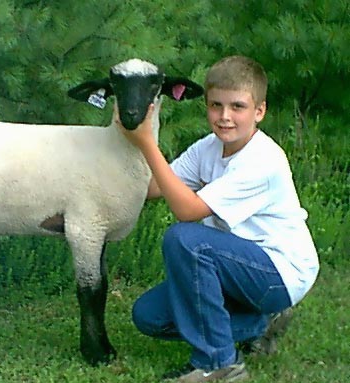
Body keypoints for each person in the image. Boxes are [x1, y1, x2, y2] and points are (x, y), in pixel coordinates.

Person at [117, 55, 319, 382]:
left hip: (279, 271)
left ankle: (220, 363)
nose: (225, 117)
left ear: (259, 111)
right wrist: (132, 137)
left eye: (237, 106)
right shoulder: (208, 148)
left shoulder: (261, 160)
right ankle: (261, 322)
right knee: (149, 317)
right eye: (215, 105)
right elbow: (155, 187)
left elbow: (187, 212)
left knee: (186, 240)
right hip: (233, 266)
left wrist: (147, 143)